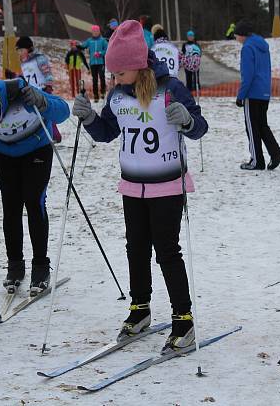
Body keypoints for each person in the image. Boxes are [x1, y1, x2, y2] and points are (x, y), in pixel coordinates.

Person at [71, 20, 208, 352]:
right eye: (113, 74)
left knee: (167, 251)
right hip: (132, 187)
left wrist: (187, 120)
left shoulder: (171, 88)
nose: (114, 79)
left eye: (118, 73)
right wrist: (88, 117)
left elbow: (199, 127)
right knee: (136, 249)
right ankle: (139, 308)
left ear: (135, 65)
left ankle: (183, 319)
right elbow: (106, 132)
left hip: (167, 186)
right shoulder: (118, 95)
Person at [0, 76, 70, 296]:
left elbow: (63, 111)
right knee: (11, 206)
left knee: (34, 201)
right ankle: (15, 266)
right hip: (4, 153)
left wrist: (42, 101)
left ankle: (41, 266)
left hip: (37, 149)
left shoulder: (20, 91)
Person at [234, 19, 280, 170]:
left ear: (242, 35)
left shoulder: (247, 48)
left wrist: (241, 95)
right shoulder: (262, 45)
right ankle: (276, 153)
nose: (236, 39)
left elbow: (247, 75)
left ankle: (257, 161)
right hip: (264, 92)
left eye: (236, 36)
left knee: (252, 127)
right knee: (262, 125)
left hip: (252, 92)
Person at [16, 36, 61, 142]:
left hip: (43, 89)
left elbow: (47, 72)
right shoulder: (23, 63)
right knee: (34, 116)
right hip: (31, 92)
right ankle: (38, 137)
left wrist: (48, 85)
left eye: (22, 50)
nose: (20, 53)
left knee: (48, 114)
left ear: (29, 49)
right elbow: (25, 76)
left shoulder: (38, 58)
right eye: (19, 51)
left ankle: (55, 136)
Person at [77, 25, 108, 102]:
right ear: (92, 32)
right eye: (94, 31)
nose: (95, 33)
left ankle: (103, 92)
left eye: (96, 31)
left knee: (102, 77)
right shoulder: (89, 40)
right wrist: (77, 46)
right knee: (94, 79)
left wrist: (100, 53)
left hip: (101, 62)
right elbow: (83, 46)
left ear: (99, 32)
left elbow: (107, 49)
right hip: (93, 63)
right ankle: (96, 96)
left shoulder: (103, 40)